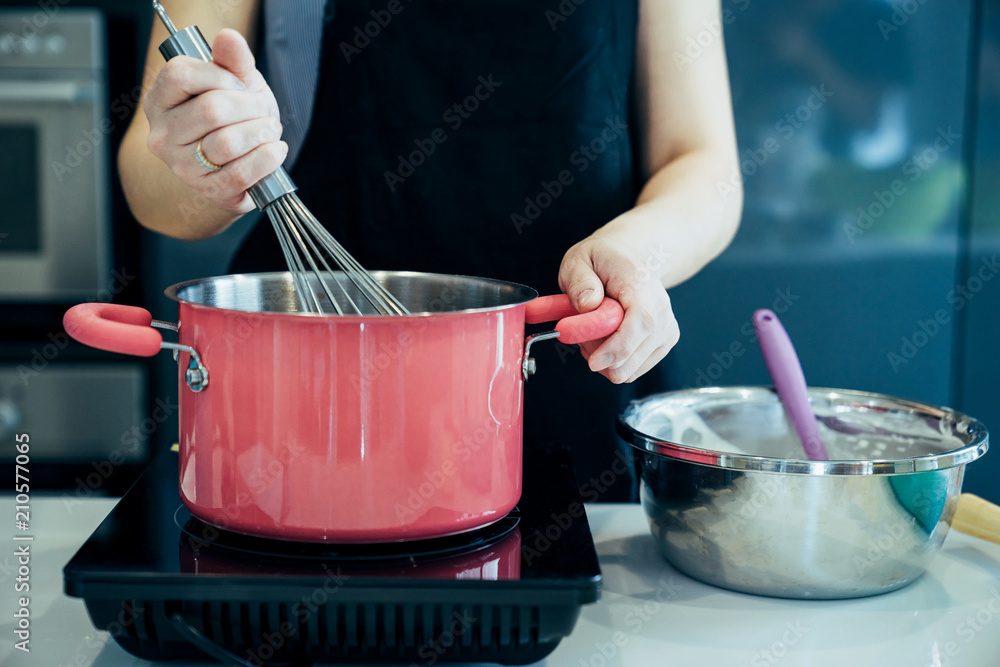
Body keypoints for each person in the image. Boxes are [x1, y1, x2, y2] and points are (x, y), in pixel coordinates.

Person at [119, 0, 742, 500]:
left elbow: (704, 162)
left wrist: (636, 252)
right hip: (308, 382)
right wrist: (204, 156)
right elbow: (152, 191)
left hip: (573, 357)